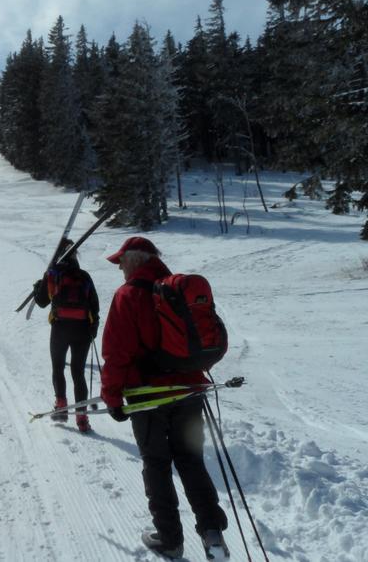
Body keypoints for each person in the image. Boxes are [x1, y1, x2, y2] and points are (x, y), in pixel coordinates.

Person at [100, 237, 228, 559]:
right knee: (191, 460)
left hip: (147, 398)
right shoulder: (176, 291)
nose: (120, 269)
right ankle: (212, 534)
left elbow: (116, 354)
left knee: (157, 465)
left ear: (133, 260)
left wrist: (112, 398)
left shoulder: (127, 295)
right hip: (188, 391)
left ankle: (169, 539)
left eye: (121, 262)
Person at [32, 238, 100, 432]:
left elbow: (41, 301)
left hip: (60, 329)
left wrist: (38, 286)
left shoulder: (53, 274)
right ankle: (82, 419)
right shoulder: (84, 276)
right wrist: (92, 330)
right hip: (82, 330)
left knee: (58, 367)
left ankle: (61, 408)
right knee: (78, 372)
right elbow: (94, 306)